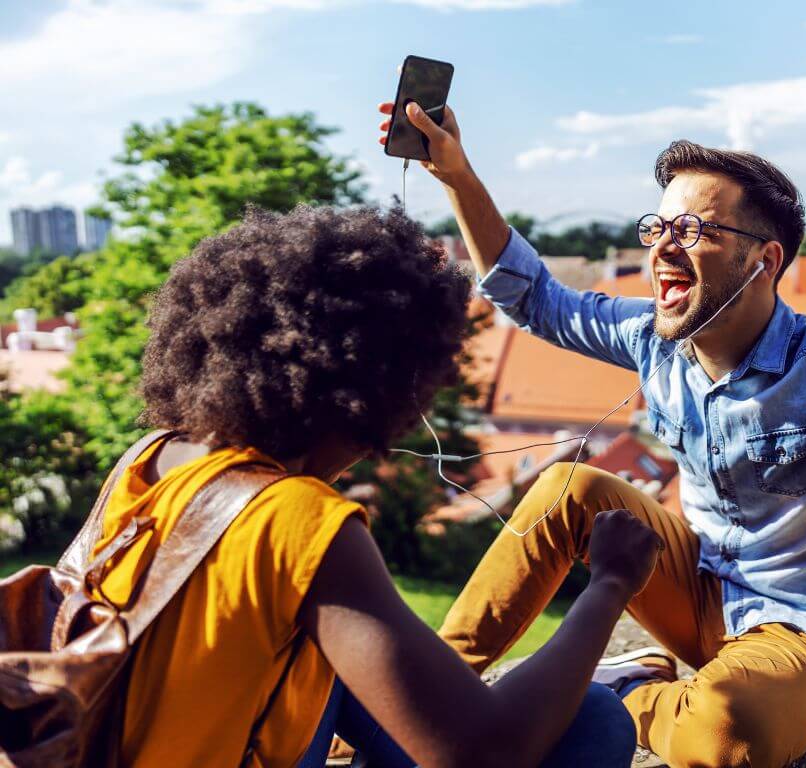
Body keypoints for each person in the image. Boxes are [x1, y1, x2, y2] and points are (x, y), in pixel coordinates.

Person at [377, 40, 806, 767]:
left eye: (693, 231)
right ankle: (429, 696)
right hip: (696, 592)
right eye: (658, 229)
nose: (661, 249)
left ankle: (623, 692)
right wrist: (456, 175)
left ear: (763, 260)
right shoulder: (651, 337)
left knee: (724, 738)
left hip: (803, 638)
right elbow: (533, 297)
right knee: (568, 486)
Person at [91, 204, 662, 767]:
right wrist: (609, 585)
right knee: (595, 719)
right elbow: (487, 752)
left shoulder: (149, 458)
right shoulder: (297, 519)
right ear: (380, 390)